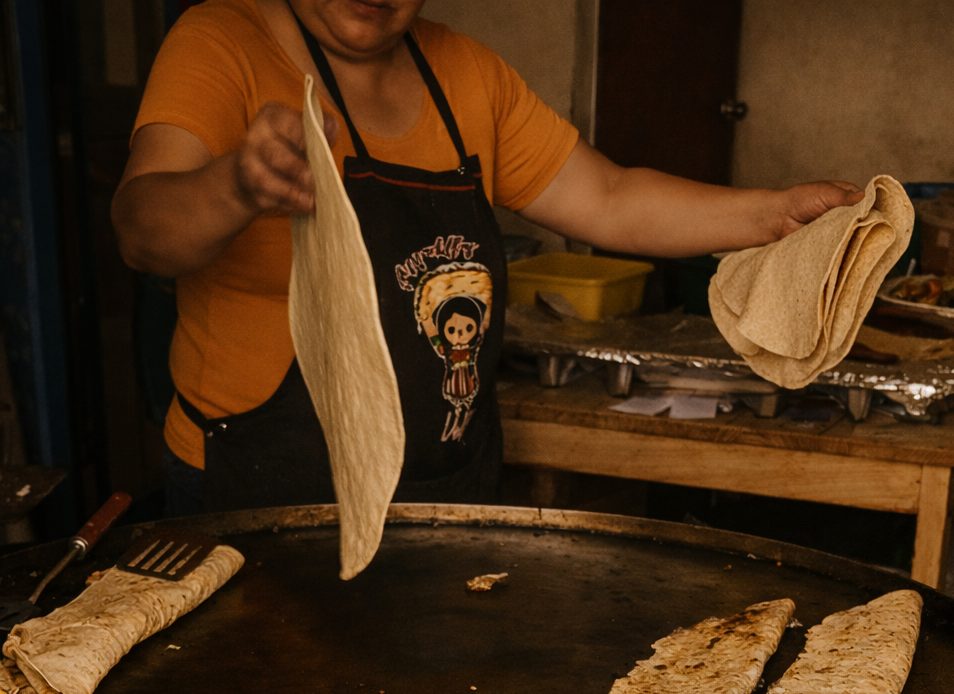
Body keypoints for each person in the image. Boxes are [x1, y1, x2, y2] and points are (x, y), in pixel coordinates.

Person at [113, 0, 861, 516]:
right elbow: (143, 233)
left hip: (444, 483)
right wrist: (236, 183)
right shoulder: (221, 40)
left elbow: (608, 197)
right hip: (262, 486)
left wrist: (772, 213)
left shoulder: (464, 74)